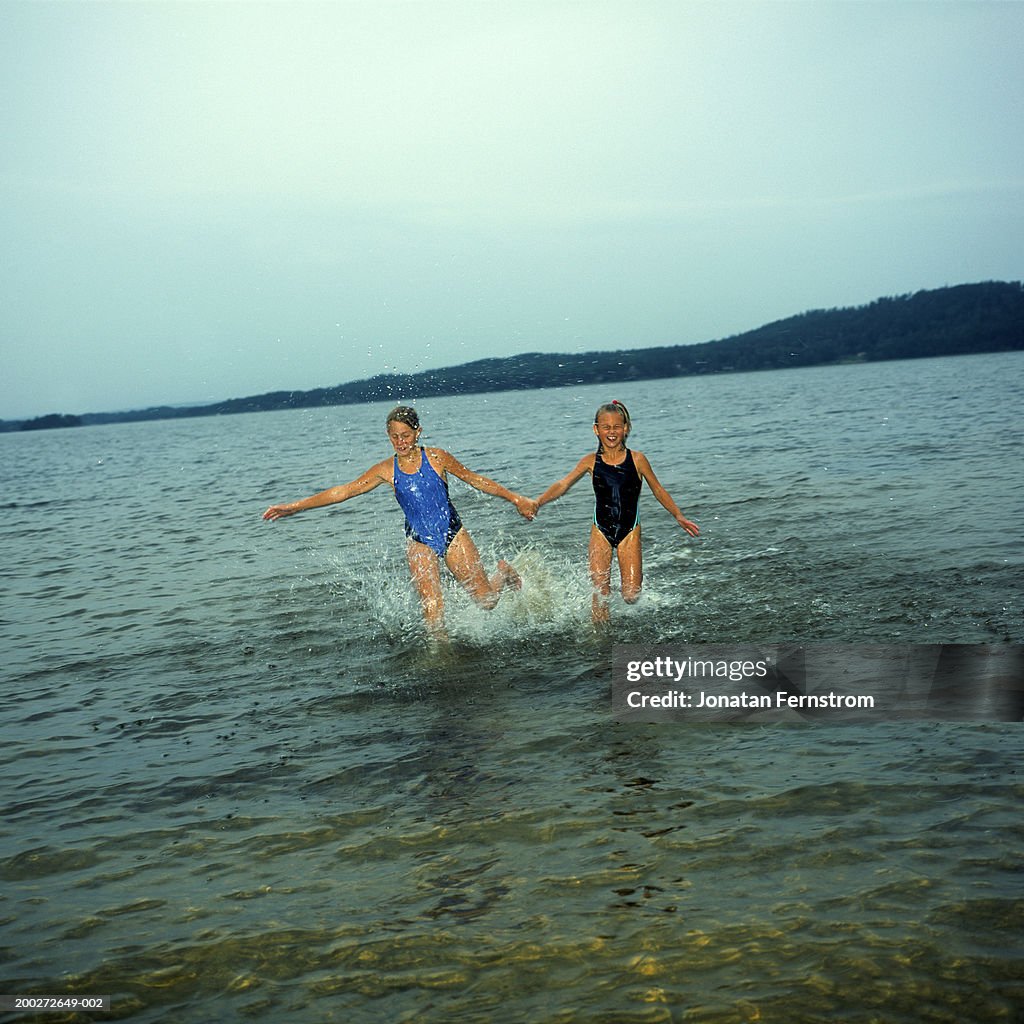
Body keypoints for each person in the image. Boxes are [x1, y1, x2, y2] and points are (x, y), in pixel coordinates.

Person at [264, 406, 538, 639]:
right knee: (432, 612)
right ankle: (441, 661)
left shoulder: (437, 457)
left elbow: (476, 480)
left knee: (486, 602)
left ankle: (503, 572)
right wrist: (294, 507)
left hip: (452, 532)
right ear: (388, 436)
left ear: (418, 432)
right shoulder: (385, 470)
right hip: (418, 540)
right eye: (394, 436)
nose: (401, 441)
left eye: (406, 435)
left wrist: (515, 498)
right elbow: (344, 491)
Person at [534, 400, 699, 624]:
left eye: (617, 427)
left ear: (626, 428)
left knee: (631, 595)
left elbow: (658, 489)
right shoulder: (590, 461)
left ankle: (632, 592)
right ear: (596, 429)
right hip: (600, 530)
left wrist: (678, 515)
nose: (612, 432)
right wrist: (538, 502)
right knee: (600, 592)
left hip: (629, 530)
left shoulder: (638, 460)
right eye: (606, 427)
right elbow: (563, 484)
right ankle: (600, 639)